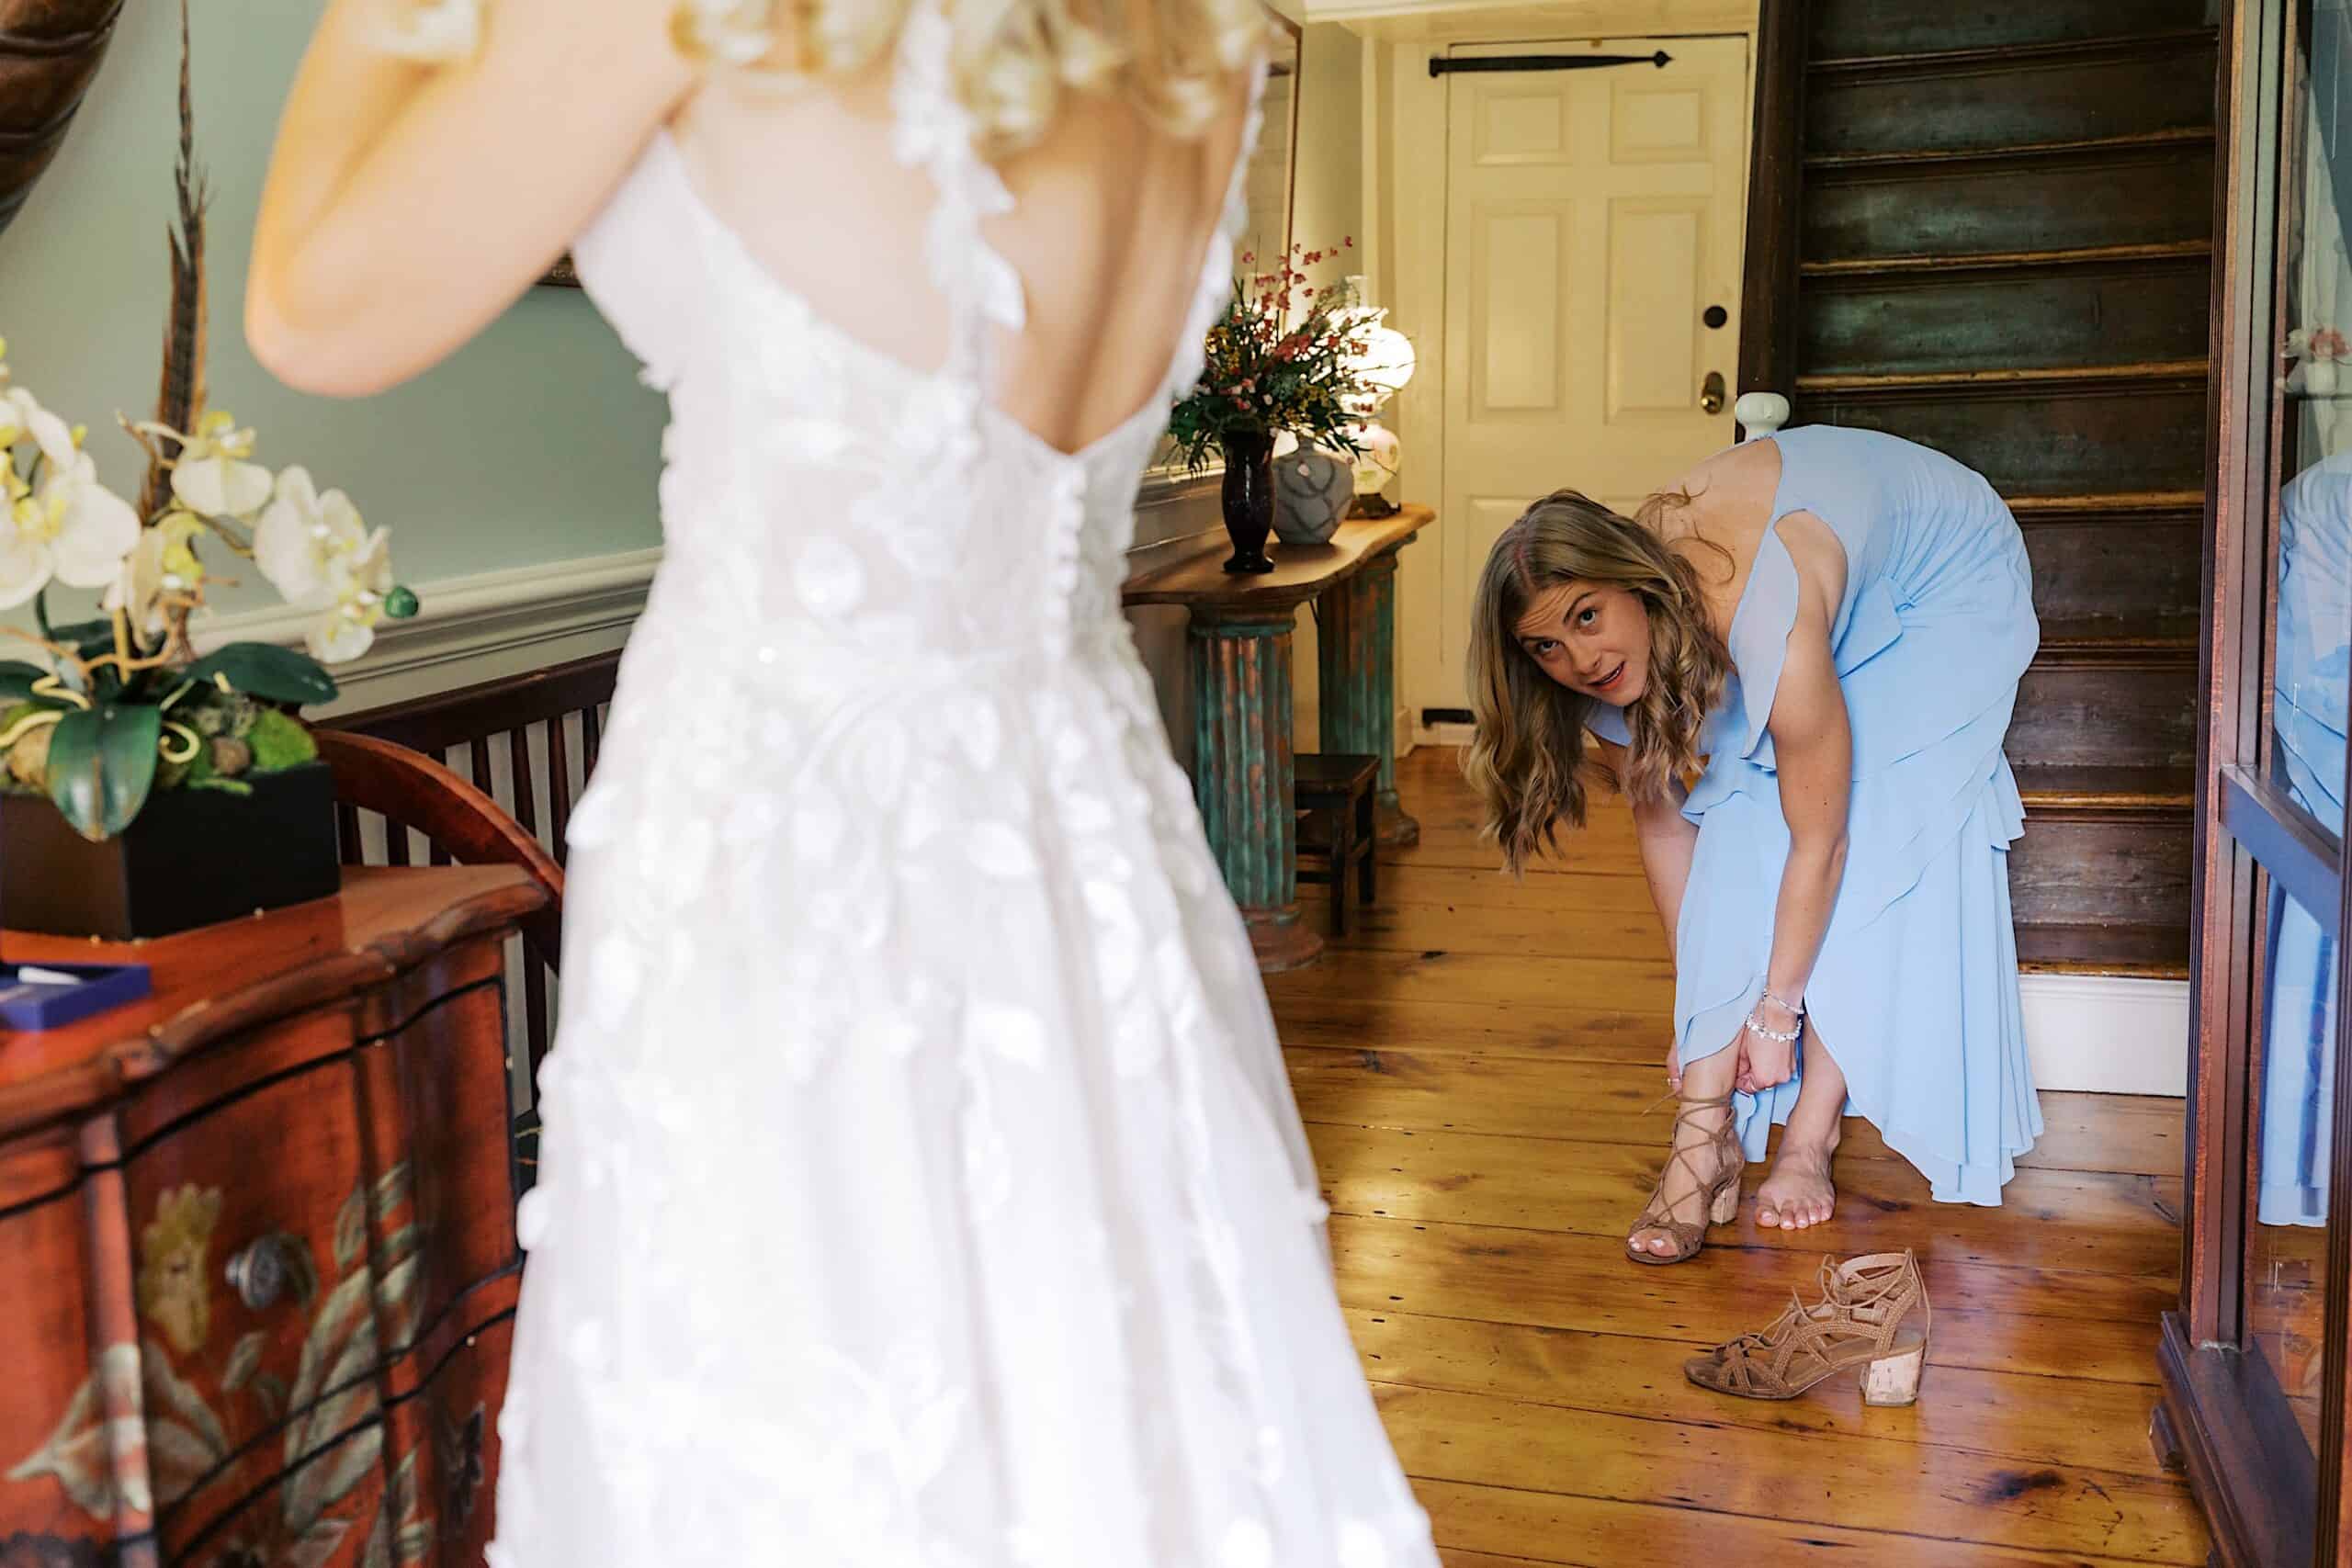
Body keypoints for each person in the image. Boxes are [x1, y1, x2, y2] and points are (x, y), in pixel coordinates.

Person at [247, 2, 1439, 1561]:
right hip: (1083, 843)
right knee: (1093, 1399)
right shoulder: (1188, 35)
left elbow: (309, 312)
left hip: (799, 862)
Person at [1462, 425, 2043, 1263]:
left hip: (1940, 580)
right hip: (1822, 565)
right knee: (1733, 813)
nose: (1580, 660)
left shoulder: (1762, 611)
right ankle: (1705, 1141)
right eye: (1546, 646)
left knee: (1868, 811)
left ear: (1630, 584)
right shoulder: (1615, 656)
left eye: (1588, 618)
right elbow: (1665, 827)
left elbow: (1826, 841)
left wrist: (1774, 1015)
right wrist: (1701, 1012)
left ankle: (1809, 1137)